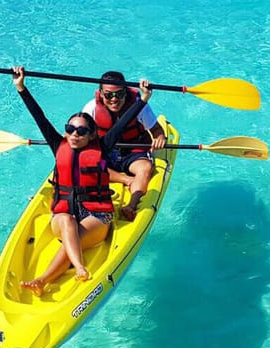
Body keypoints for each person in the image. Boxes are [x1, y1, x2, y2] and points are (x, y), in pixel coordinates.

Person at [11, 66, 153, 296]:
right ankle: (78, 266)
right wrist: (21, 88)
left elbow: (120, 124)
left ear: (92, 134)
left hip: (97, 216)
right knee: (68, 223)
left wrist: (143, 99)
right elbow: (40, 117)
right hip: (63, 215)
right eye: (71, 129)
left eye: (82, 131)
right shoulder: (59, 146)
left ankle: (43, 279)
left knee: (74, 237)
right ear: (66, 132)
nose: (75, 134)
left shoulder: (103, 148)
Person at [81, 71, 167, 220]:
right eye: (108, 95)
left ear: (126, 93)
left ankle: (131, 206)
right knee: (84, 163)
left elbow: (157, 129)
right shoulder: (91, 109)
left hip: (133, 151)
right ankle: (126, 180)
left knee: (145, 168)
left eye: (119, 94)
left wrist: (160, 137)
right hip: (107, 152)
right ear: (100, 94)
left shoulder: (139, 106)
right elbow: (80, 133)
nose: (114, 99)